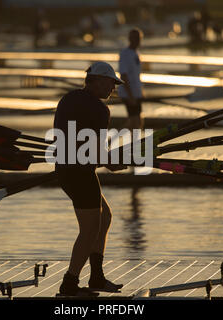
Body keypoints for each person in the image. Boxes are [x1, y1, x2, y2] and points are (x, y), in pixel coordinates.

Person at [54, 62, 126, 296]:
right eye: (110, 83)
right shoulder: (100, 110)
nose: (113, 89)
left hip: (64, 170)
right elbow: (97, 153)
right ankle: (69, 284)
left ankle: (96, 278)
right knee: (90, 229)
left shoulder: (67, 99)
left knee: (104, 217)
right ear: (96, 80)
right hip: (80, 173)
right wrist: (114, 165)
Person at [118, 28, 144, 130]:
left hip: (136, 93)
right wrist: (130, 96)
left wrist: (141, 92)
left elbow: (136, 76)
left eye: (138, 38)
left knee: (138, 122)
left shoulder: (137, 53)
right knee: (135, 122)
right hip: (128, 93)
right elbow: (124, 76)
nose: (137, 40)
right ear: (130, 39)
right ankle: (116, 138)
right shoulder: (125, 54)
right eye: (134, 38)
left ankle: (133, 142)